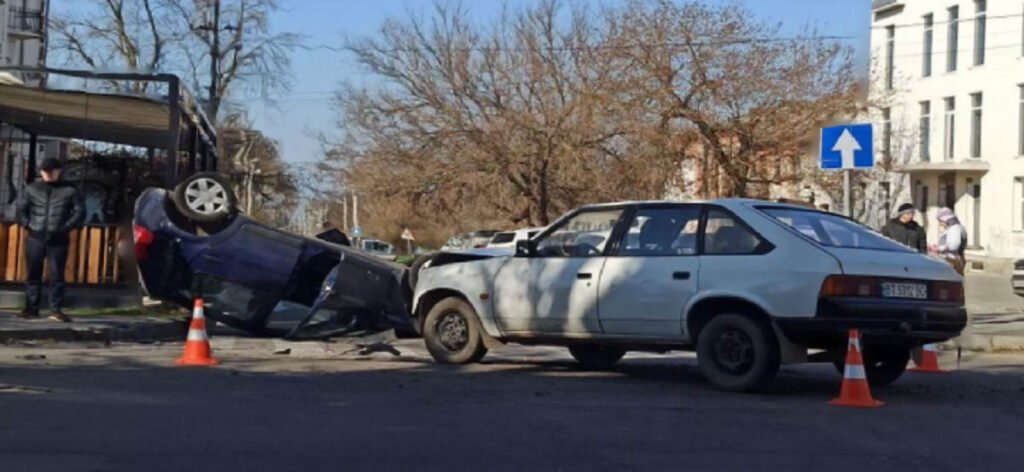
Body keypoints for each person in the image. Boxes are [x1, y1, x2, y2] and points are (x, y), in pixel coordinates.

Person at [16, 158, 84, 322]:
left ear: (58, 171)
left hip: (58, 238)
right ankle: (31, 308)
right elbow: (21, 210)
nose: (47, 174)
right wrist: (28, 225)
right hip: (36, 236)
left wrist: (65, 227)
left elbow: (80, 212)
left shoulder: (70, 190)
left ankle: (55, 310)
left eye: (51, 171)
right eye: (44, 171)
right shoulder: (32, 189)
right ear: (41, 172)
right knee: (33, 273)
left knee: (56, 274)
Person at [934, 207, 967, 275]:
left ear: (946, 219)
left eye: (940, 221)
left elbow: (953, 246)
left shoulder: (955, 228)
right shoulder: (956, 228)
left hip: (951, 261)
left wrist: (938, 249)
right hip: (954, 260)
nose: (940, 224)